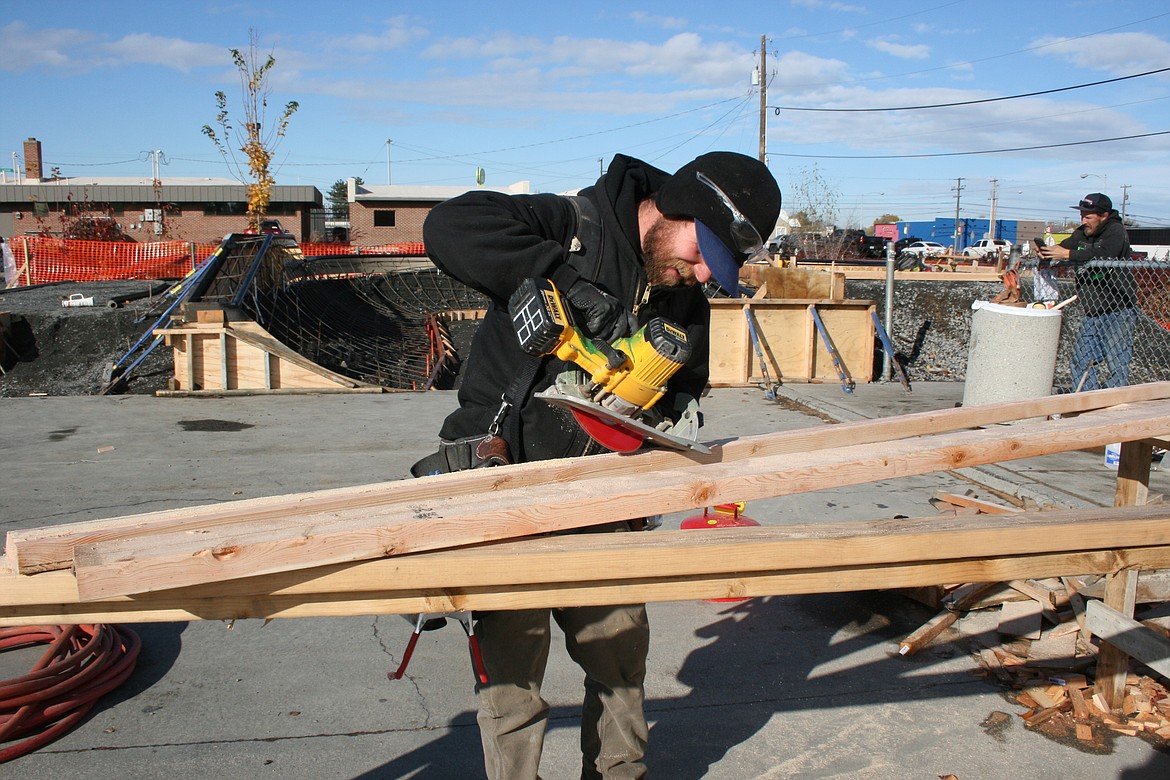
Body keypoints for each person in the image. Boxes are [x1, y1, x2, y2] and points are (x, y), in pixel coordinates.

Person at [419, 152, 781, 779]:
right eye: (700, 255)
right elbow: (449, 228)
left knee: (618, 669)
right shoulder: (569, 223)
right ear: (680, 204)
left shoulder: (682, 299)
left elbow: (681, 395)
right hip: (507, 491)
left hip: (605, 504)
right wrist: (567, 284)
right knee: (510, 685)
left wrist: (659, 452)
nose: (697, 274)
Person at [1039, 192, 1136, 390]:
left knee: (1117, 358)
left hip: (1118, 307)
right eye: (1082, 215)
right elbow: (1065, 247)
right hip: (1093, 309)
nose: (1084, 220)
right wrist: (1048, 252)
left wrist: (1068, 254)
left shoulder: (1115, 231)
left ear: (1104, 215)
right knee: (1082, 358)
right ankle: (1086, 395)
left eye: (1089, 216)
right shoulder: (1081, 233)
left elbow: (1105, 253)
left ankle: (1113, 396)